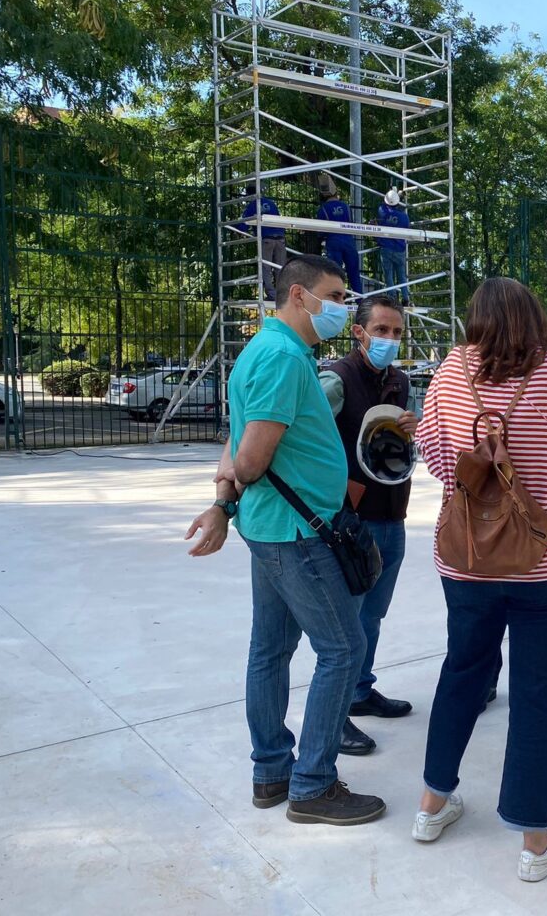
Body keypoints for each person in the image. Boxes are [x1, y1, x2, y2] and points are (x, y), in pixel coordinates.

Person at [412, 277, 547, 882]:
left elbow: (435, 456)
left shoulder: (451, 371)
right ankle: (533, 841)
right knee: (536, 692)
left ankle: (431, 805)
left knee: (462, 672)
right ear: (534, 315)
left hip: (468, 558)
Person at [183, 255, 385, 827]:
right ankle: (313, 785)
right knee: (342, 650)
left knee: (270, 650)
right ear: (299, 295)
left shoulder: (269, 349)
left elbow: (236, 440)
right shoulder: (282, 357)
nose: (343, 307)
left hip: (274, 528)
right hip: (297, 534)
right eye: (335, 296)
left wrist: (224, 503)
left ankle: (272, 771)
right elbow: (249, 457)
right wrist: (229, 489)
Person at [317, 294, 418, 758]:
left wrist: (413, 426)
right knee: (346, 626)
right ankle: (334, 715)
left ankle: (359, 690)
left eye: (396, 332)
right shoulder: (336, 379)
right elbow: (302, 432)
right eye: (381, 330)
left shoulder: (399, 381)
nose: (389, 340)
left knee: (371, 615)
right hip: (353, 521)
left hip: (393, 512)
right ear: (359, 332)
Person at [235, 183, 288, 302]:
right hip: (280, 239)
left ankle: (272, 295)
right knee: (280, 268)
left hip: (266, 239)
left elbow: (244, 224)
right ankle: (282, 295)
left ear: (249, 194)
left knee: (265, 268)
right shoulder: (271, 203)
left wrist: (235, 227)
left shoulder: (253, 205)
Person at [316, 177, 363, 294]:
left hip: (333, 242)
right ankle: (359, 298)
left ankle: (337, 297)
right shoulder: (346, 207)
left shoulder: (323, 209)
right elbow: (351, 223)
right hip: (348, 241)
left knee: (335, 274)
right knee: (354, 273)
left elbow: (320, 231)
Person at [375, 188, 411, 305]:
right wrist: (399, 197)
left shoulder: (382, 211)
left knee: (388, 275)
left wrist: (396, 195)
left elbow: (384, 205)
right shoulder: (404, 217)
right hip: (399, 249)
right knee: (402, 275)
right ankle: (405, 297)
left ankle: (392, 297)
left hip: (386, 248)